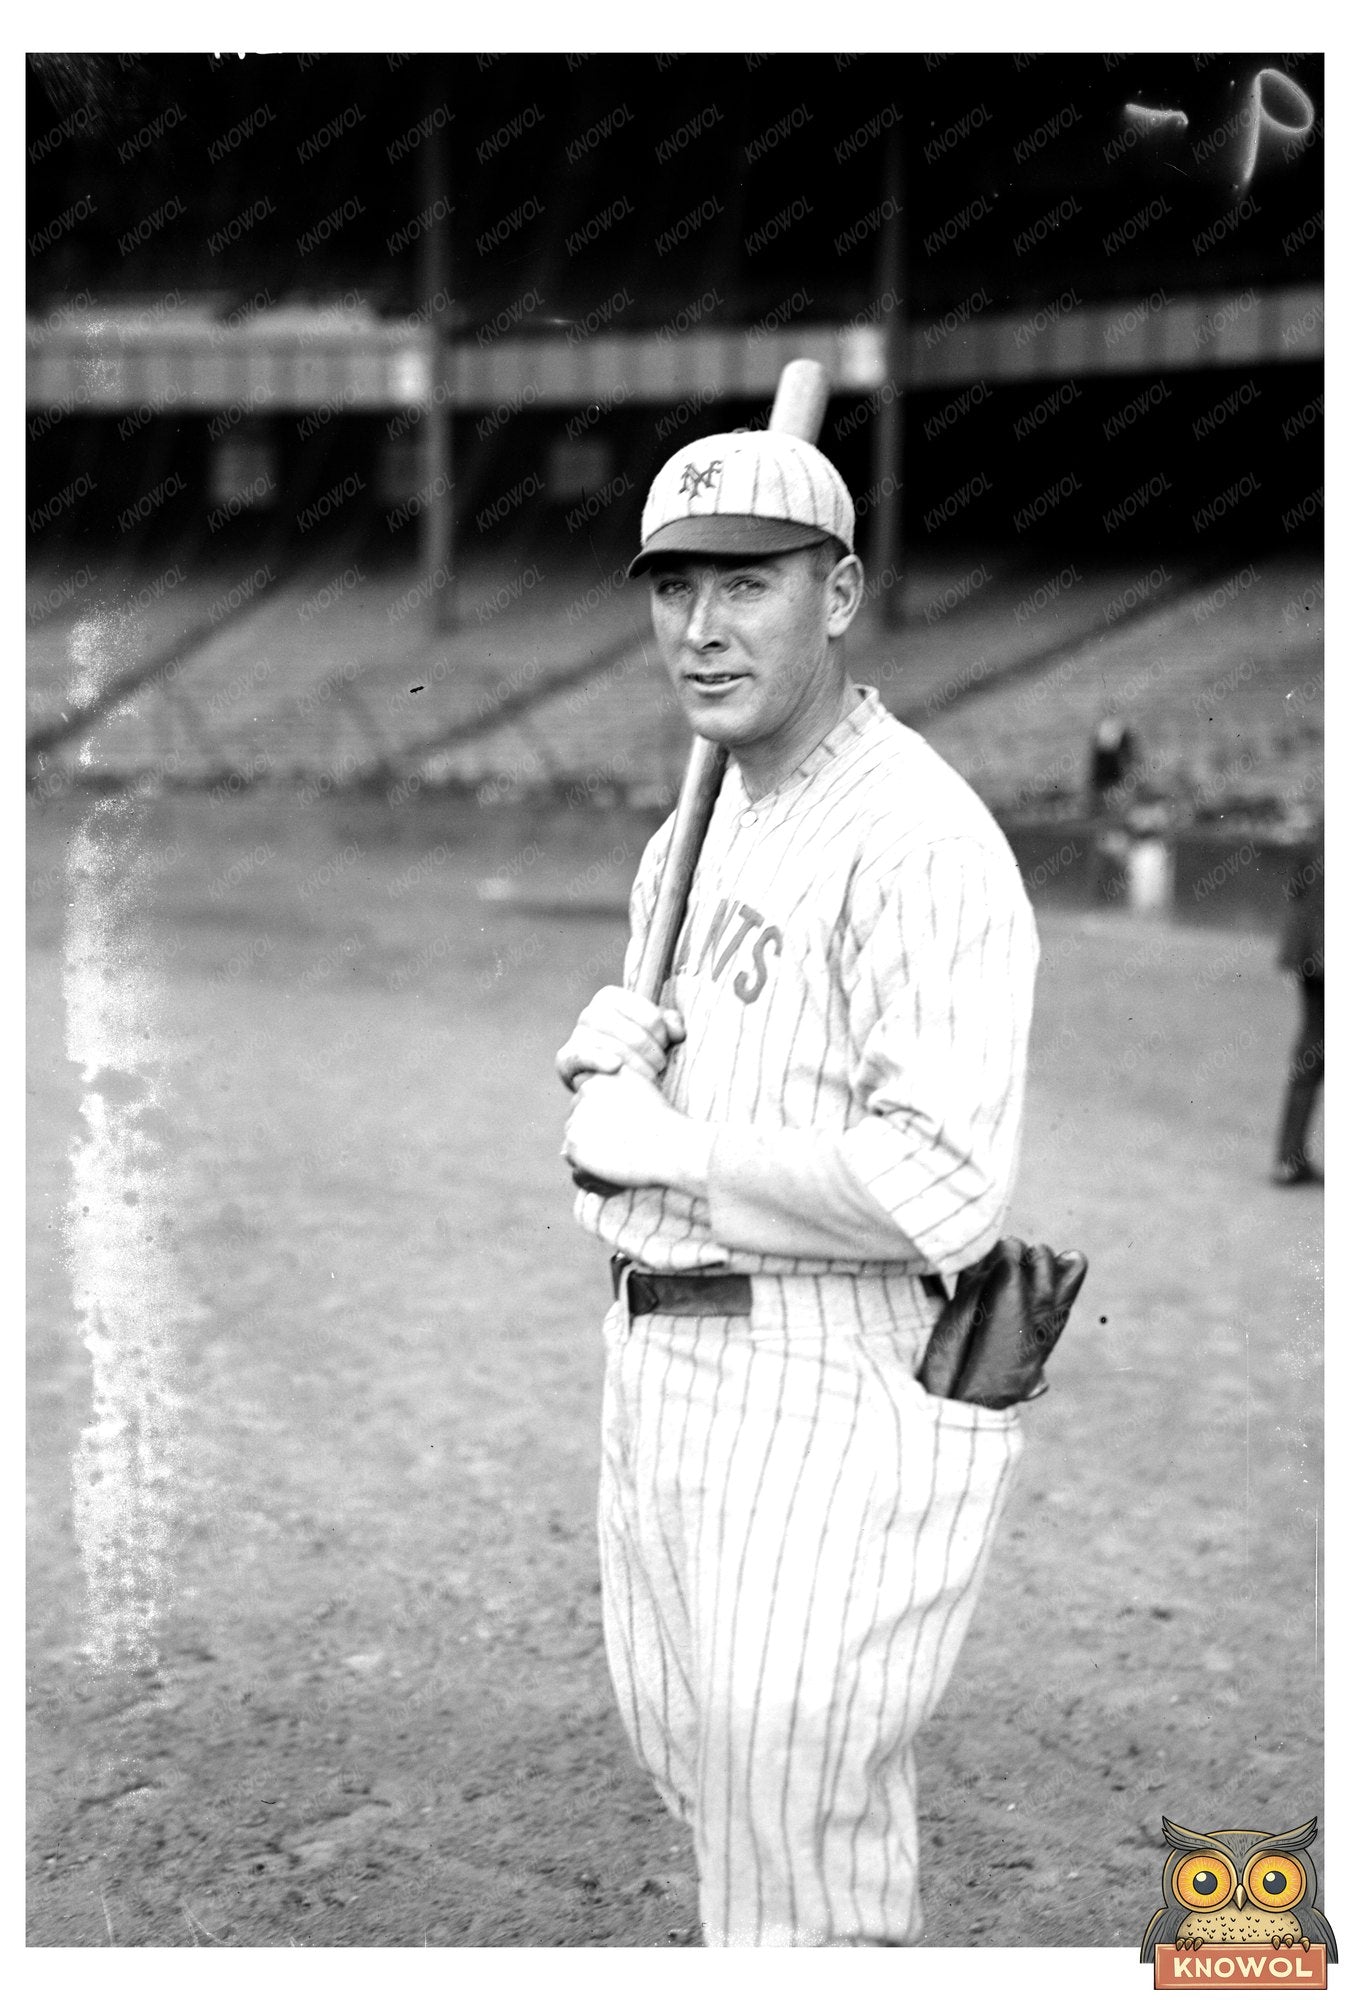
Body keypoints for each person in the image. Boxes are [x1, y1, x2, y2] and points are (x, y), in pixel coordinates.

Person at [556, 429, 1039, 1948]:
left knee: (795, 1870)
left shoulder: (918, 841)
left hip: (829, 1386)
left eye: (746, 585)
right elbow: (655, 1118)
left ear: (837, 596)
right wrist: (613, 1072)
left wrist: (675, 1151)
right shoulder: (692, 830)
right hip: (663, 1371)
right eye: (675, 587)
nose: (701, 629)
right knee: (710, 1788)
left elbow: (942, 1185)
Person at [1272, 833, 1324, 1185]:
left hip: (1312, 954)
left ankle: (1288, 1157)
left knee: (1312, 1048)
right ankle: (1290, 1156)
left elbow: (1297, 886)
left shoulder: (1322, 828)